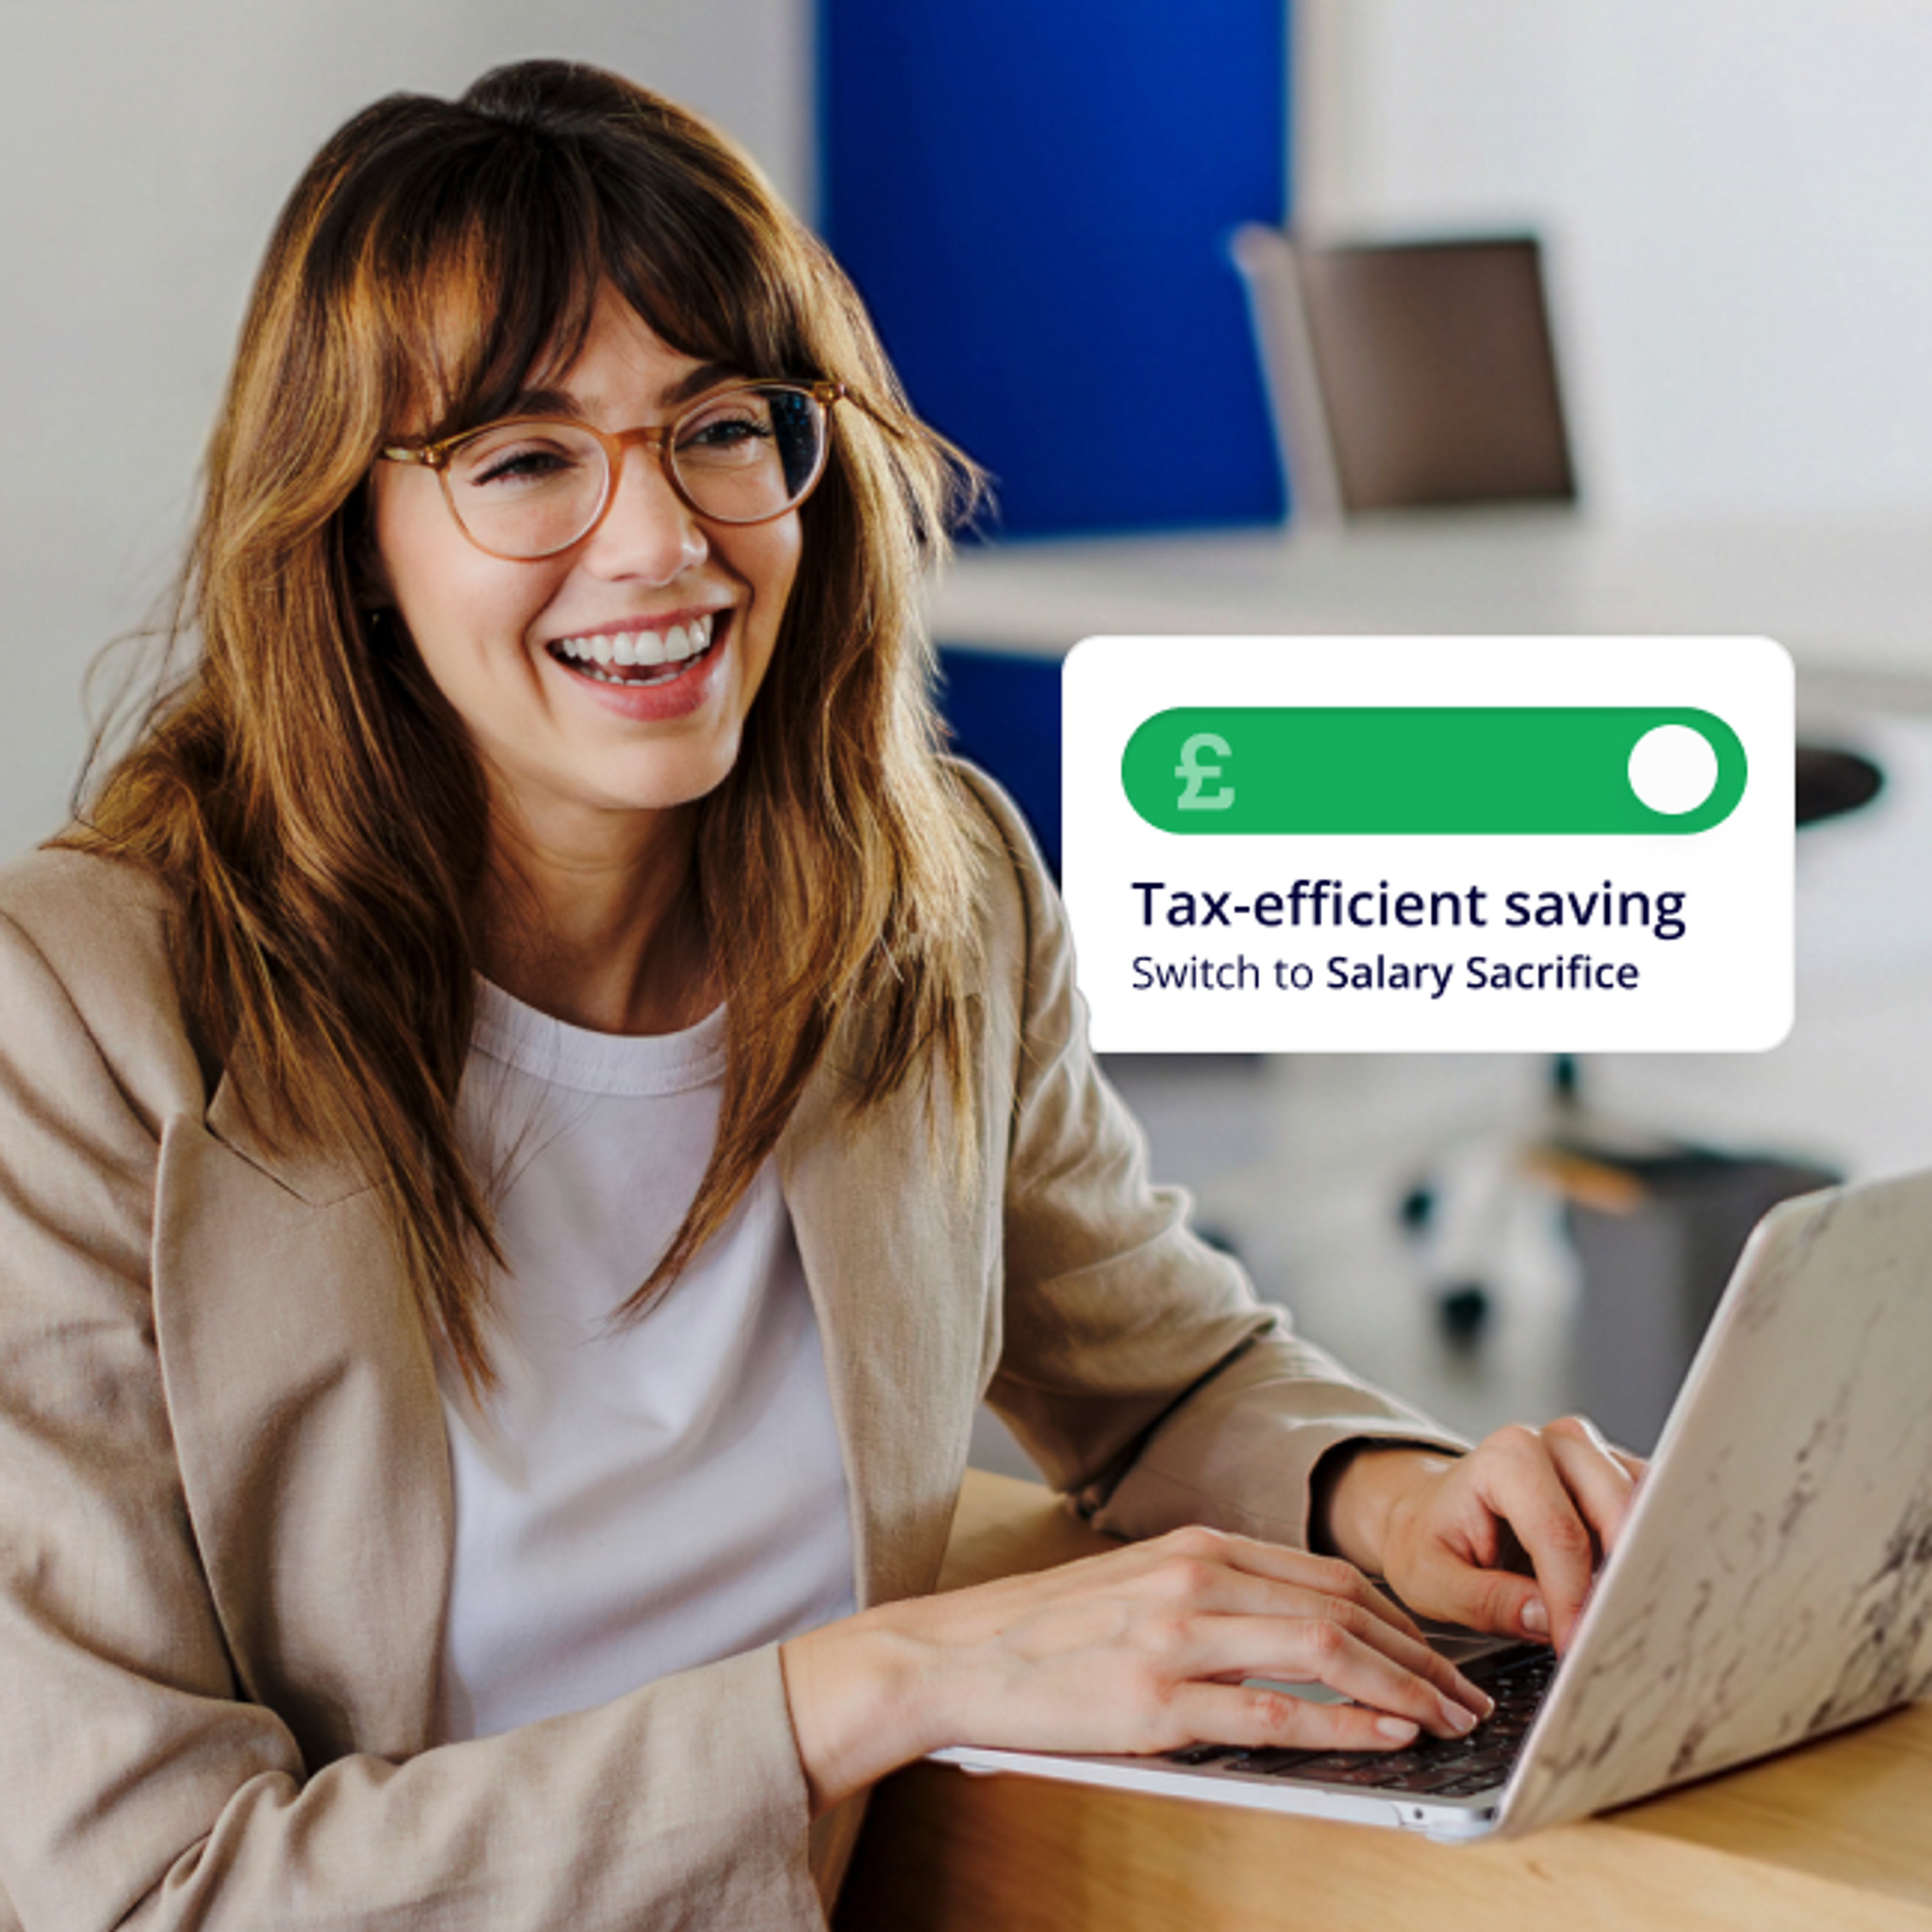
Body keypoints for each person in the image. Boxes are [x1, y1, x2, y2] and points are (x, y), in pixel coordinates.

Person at [0, 59, 1641, 1931]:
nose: (662, 541)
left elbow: (1154, 1357)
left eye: (724, 425)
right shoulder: (79, 1021)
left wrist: (1393, 1493)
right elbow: (138, 1891)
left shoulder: (923, 892)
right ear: (355, 546)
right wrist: (886, 1684)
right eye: (526, 459)